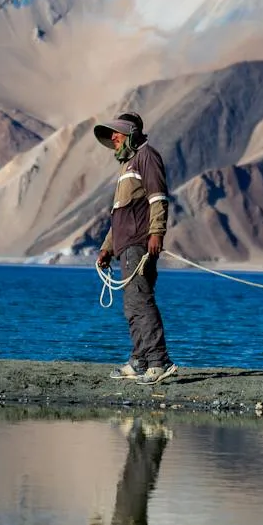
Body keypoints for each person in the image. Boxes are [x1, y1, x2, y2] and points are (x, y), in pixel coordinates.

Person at [93, 112, 176, 383]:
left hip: (140, 244)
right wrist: (107, 248)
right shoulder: (126, 166)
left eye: (117, 133)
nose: (113, 138)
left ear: (130, 133)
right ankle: (139, 360)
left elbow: (158, 198)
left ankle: (158, 361)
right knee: (132, 305)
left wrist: (156, 233)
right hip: (125, 246)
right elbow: (119, 215)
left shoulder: (146, 157)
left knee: (141, 300)